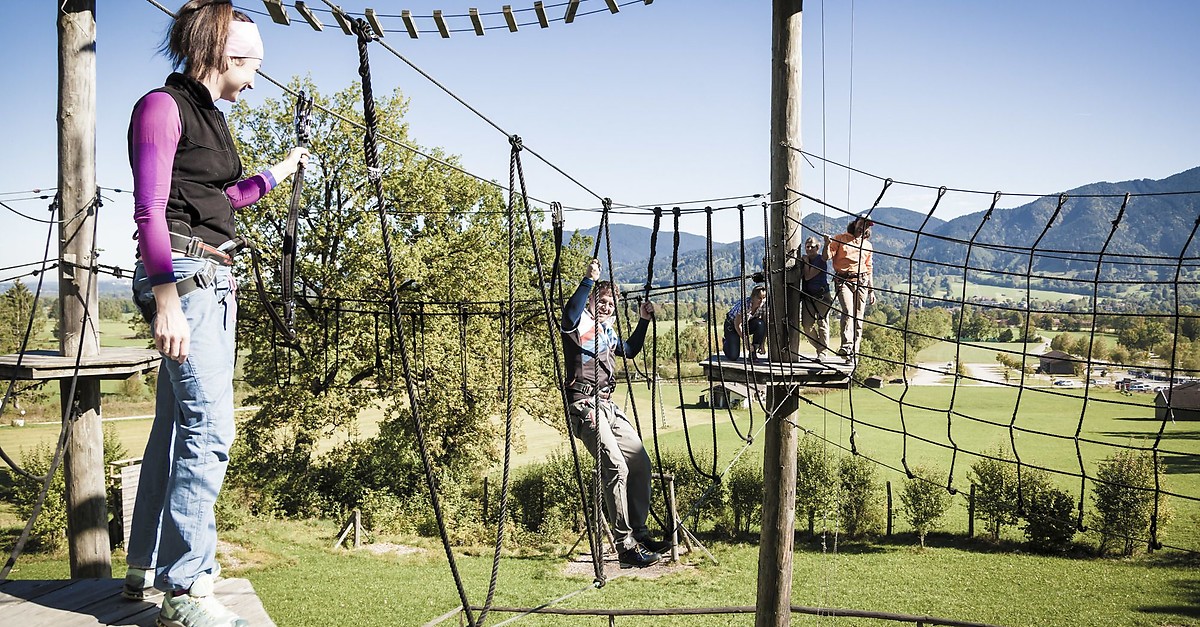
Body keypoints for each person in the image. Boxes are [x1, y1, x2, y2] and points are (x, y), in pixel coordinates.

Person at [124, 3, 308, 625]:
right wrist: (168, 298)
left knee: (175, 427)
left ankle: (145, 565)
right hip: (186, 282)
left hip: (207, 278)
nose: (255, 80)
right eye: (253, 66)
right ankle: (185, 590)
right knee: (209, 433)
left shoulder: (207, 119)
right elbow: (151, 209)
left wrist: (275, 175)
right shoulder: (161, 107)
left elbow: (216, 198)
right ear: (227, 58)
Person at [562, 259, 670, 567]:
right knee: (615, 466)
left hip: (608, 405)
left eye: (611, 303)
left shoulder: (606, 332)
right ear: (593, 300)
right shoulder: (579, 322)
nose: (607, 307)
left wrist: (644, 321)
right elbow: (569, 314)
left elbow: (630, 349)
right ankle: (624, 545)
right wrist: (587, 281)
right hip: (585, 405)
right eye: (603, 301)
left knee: (640, 462)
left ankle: (639, 531)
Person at [825, 215, 875, 364]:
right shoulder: (840, 238)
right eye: (861, 223)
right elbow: (826, 257)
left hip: (862, 281)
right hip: (843, 280)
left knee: (858, 317)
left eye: (866, 225)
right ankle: (847, 346)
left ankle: (854, 353)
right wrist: (826, 245)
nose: (863, 227)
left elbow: (869, 267)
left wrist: (871, 290)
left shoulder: (867, 245)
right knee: (847, 311)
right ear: (855, 223)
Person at [799, 236, 833, 359]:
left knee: (822, 323)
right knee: (807, 326)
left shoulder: (820, 260)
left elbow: (808, 276)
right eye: (807, 247)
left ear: (817, 248)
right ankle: (820, 348)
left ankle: (822, 353)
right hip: (808, 297)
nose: (809, 249)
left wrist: (806, 262)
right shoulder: (804, 260)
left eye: (812, 247)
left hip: (821, 296)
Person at [722, 285, 767, 361]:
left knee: (760, 324)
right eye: (759, 298)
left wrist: (762, 344)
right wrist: (747, 343)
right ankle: (726, 343)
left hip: (746, 323)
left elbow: (765, 324)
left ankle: (753, 352)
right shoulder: (745, 305)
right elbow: (737, 325)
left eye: (764, 298)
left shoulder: (764, 305)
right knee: (733, 356)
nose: (762, 301)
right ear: (753, 297)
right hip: (732, 326)